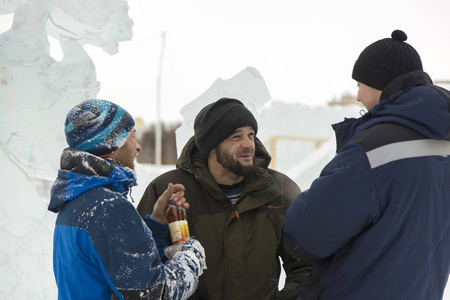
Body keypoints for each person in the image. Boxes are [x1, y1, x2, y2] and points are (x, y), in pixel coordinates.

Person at [283, 30, 450, 300]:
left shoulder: (374, 150)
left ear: (379, 84)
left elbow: (304, 236)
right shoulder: (442, 138)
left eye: (360, 83)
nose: (358, 94)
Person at [137, 97, 311, 299]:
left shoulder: (279, 190)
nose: (248, 144)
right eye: (236, 137)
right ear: (211, 146)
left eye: (251, 135)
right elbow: (139, 267)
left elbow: (306, 266)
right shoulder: (169, 192)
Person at [48, 99, 206, 300]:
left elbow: (117, 268)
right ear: (112, 142)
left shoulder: (75, 201)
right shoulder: (108, 208)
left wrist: (156, 224)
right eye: (132, 136)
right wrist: (190, 257)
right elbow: (152, 294)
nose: (138, 147)